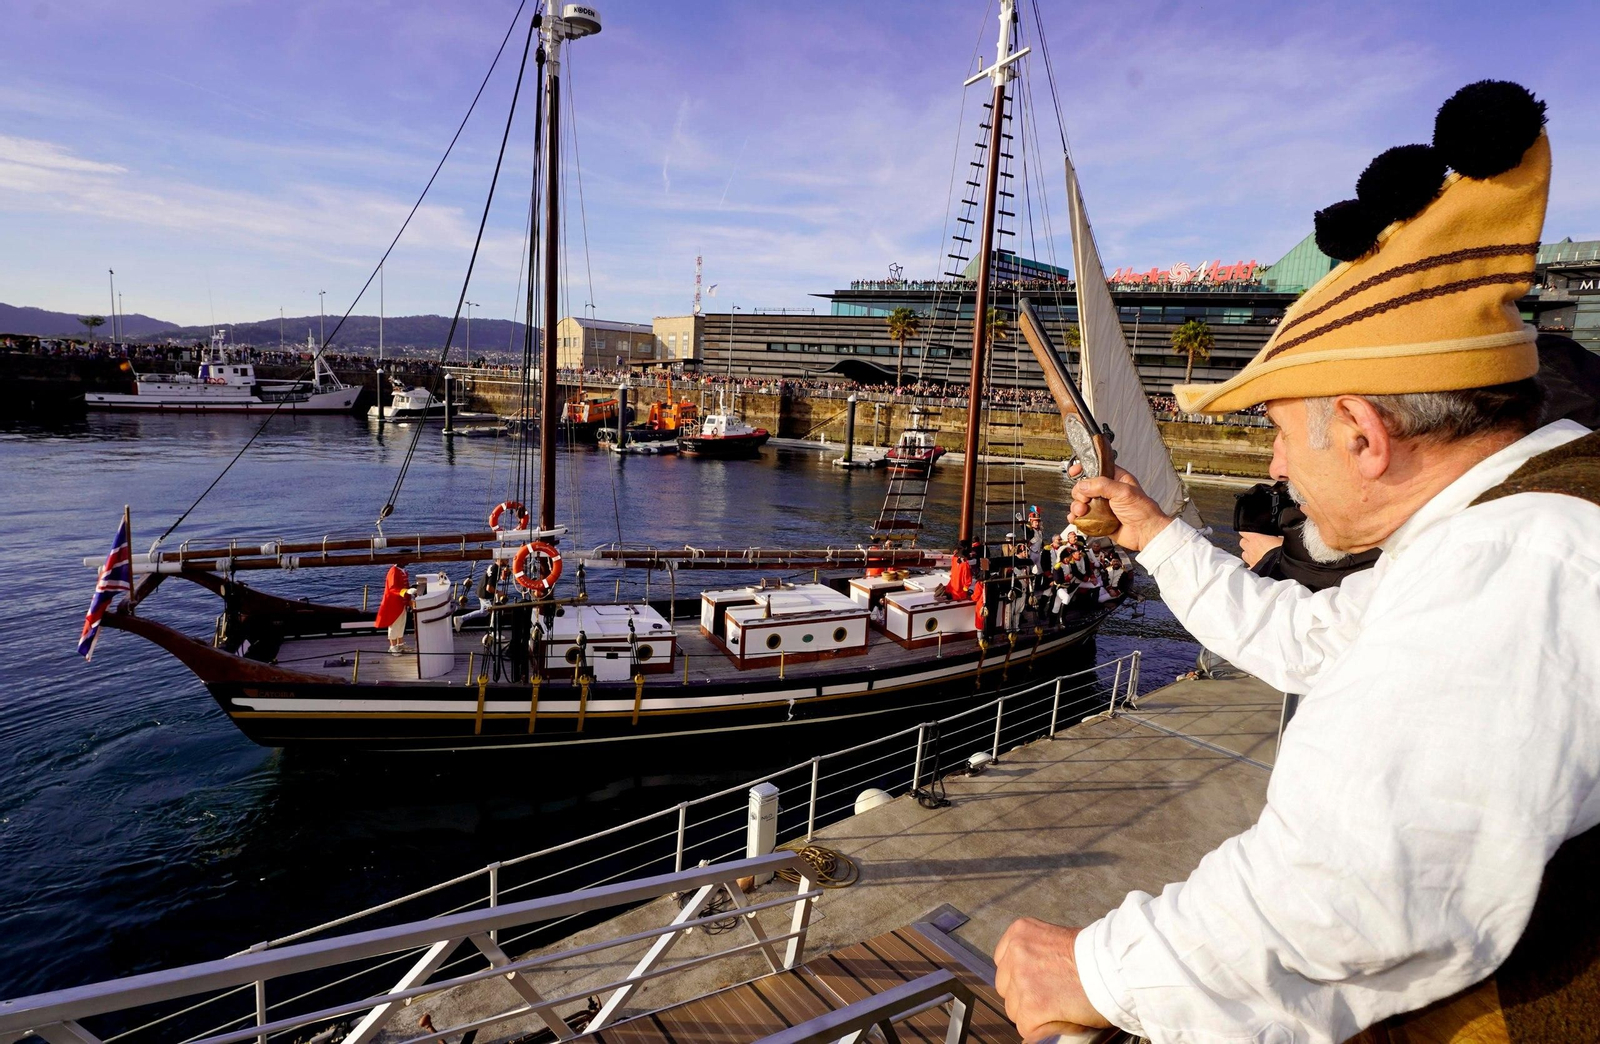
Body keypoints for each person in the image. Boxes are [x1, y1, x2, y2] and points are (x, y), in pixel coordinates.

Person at [996, 81, 1600, 1043]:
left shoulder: (1524, 561)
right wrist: (1155, 532)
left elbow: (1349, 889)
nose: (1274, 466)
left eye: (1278, 432)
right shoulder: (1499, 532)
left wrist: (1097, 972)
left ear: (1362, 433)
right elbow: (1313, 638)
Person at [374, 563, 413, 654]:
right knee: (394, 624)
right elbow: (392, 588)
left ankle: (400, 644)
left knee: (401, 623)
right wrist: (406, 591)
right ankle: (393, 646)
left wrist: (408, 599)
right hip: (393, 602)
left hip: (402, 601)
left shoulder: (402, 570)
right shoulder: (393, 571)